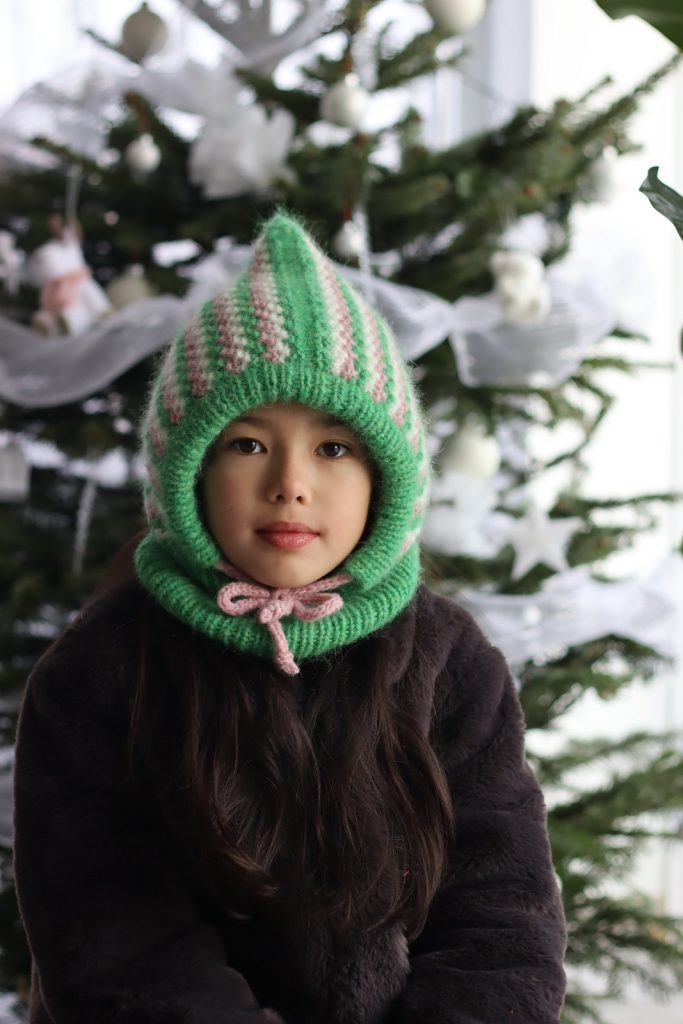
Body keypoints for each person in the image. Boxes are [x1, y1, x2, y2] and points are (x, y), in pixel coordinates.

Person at [13, 213, 567, 1024]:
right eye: (247, 444)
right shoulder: (101, 669)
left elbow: (501, 918)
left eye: (333, 449)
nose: (290, 484)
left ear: (387, 478)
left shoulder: (450, 661)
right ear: (187, 472)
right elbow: (114, 943)